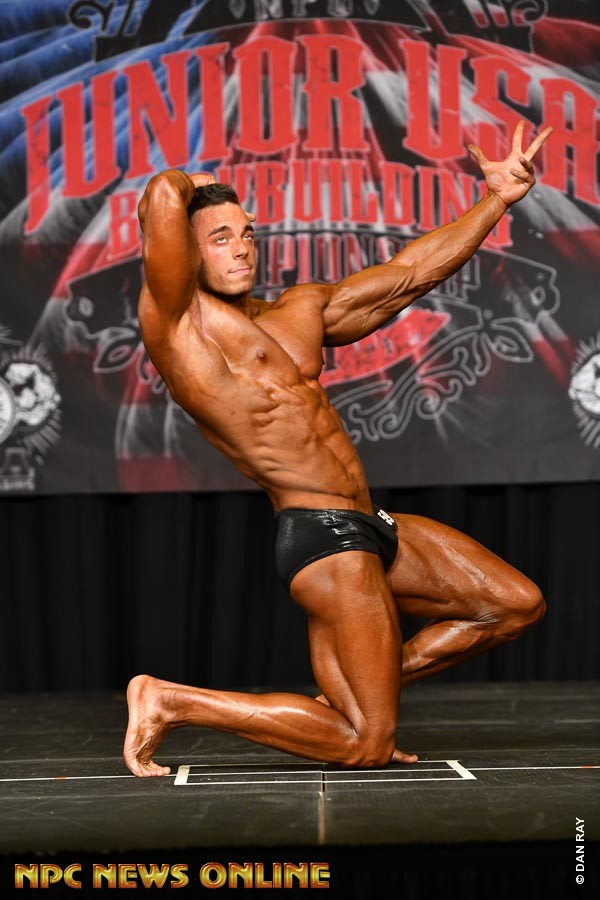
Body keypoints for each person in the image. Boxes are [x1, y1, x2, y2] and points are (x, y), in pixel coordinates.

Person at [124, 120, 551, 777]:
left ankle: (355, 694)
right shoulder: (177, 321)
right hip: (321, 536)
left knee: (515, 605)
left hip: (369, 522)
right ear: (185, 249)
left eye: (247, 234)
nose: (242, 249)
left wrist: (496, 201)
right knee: (366, 745)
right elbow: (159, 197)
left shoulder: (297, 311)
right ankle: (172, 700)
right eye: (220, 238)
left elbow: (408, 275)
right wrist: (193, 184)